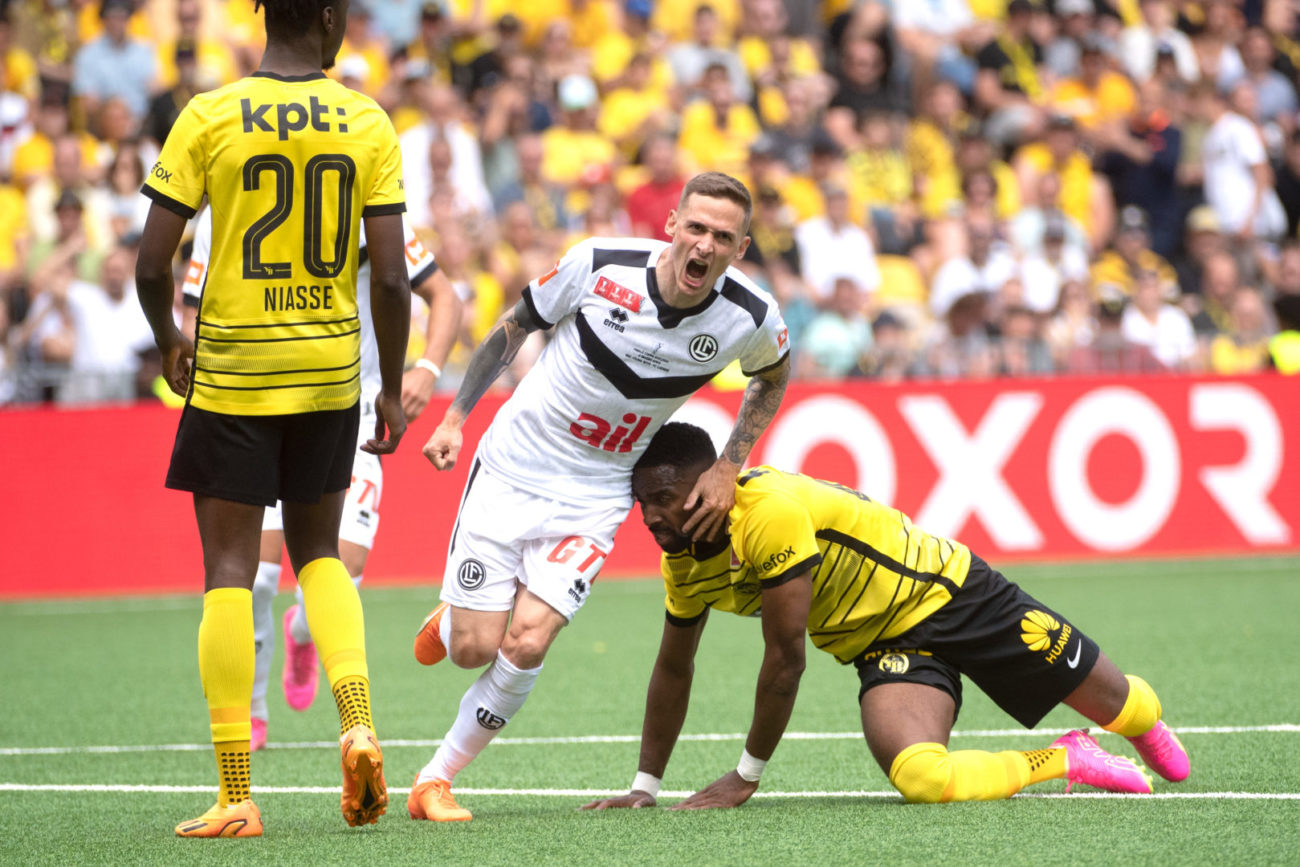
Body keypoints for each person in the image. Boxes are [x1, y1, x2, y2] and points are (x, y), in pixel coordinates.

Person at [409, 172, 791, 822]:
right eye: (695, 227)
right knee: (474, 646)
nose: (703, 245)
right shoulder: (597, 262)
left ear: (741, 248)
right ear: (671, 224)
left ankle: (433, 780)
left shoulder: (750, 317)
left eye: (722, 237)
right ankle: (454, 619)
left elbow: (775, 374)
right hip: (513, 467)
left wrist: (731, 463)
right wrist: (455, 417)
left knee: (528, 641)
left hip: (599, 491)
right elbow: (512, 327)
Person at [584, 423, 1190, 811]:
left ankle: (1144, 723)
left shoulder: (767, 513)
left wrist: (747, 774)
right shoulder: (683, 564)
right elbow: (673, 669)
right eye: (644, 503)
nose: (650, 517)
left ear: (709, 487)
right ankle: (1067, 758)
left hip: (952, 592)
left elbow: (786, 661)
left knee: (1120, 704)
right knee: (921, 779)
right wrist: (645, 787)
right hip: (882, 645)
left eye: (663, 500)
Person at [134, 0, 411, 838]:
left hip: (235, 373)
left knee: (228, 569)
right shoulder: (366, 119)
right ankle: (357, 719)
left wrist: (169, 338)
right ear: (328, 20)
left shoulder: (210, 114)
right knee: (319, 555)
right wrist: (390, 388)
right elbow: (394, 281)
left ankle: (235, 793)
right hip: (330, 375)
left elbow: (153, 263)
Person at [180, 207, 465, 750]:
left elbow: (443, 295)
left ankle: (300, 634)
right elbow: (193, 308)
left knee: (337, 572)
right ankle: (253, 712)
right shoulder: (225, 204)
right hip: (254, 411)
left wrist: (425, 369)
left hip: (345, 416)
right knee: (257, 577)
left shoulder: (356, 196)